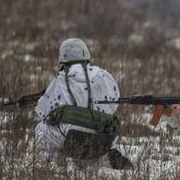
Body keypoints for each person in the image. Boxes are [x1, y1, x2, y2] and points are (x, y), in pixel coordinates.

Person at [34, 38, 131, 169]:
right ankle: (105, 162)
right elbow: (114, 103)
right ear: (86, 54)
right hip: (100, 136)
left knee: (41, 128)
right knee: (101, 136)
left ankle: (50, 166)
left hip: (70, 135)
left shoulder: (61, 77)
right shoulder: (103, 75)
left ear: (62, 58)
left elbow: (43, 112)